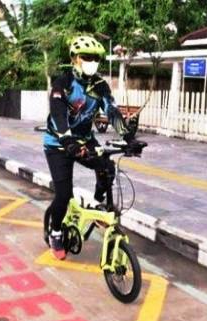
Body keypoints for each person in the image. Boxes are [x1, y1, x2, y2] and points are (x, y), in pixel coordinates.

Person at [43, 35, 133, 260]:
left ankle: (95, 205)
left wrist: (127, 137)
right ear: (75, 58)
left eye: (95, 58)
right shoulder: (63, 83)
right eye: (86, 57)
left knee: (107, 168)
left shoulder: (100, 85)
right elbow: (58, 116)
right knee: (63, 195)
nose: (92, 61)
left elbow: (111, 110)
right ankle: (55, 233)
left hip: (84, 139)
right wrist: (67, 140)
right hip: (58, 143)